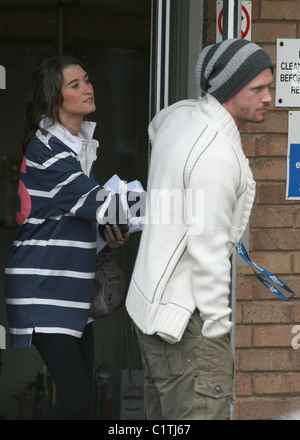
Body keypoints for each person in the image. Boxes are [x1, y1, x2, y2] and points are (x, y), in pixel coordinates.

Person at [126, 38, 274, 420]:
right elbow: (207, 251)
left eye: (270, 86)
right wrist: (217, 328)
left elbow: (154, 127)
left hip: (149, 307)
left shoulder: (180, 115)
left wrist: (174, 195)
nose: (268, 97)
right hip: (187, 322)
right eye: (256, 89)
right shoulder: (216, 154)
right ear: (226, 89)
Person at [5, 55, 140, 419]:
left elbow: (74, 213)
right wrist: (177, 203)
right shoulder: (49, 151)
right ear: (55, 98)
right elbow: (99, 203)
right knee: (77, 402)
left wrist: (105, 235)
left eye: (87, 79)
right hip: (45, 288)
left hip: (69, 290)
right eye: (75, 84)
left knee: (81, 405)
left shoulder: (76, 146)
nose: (88, 87)